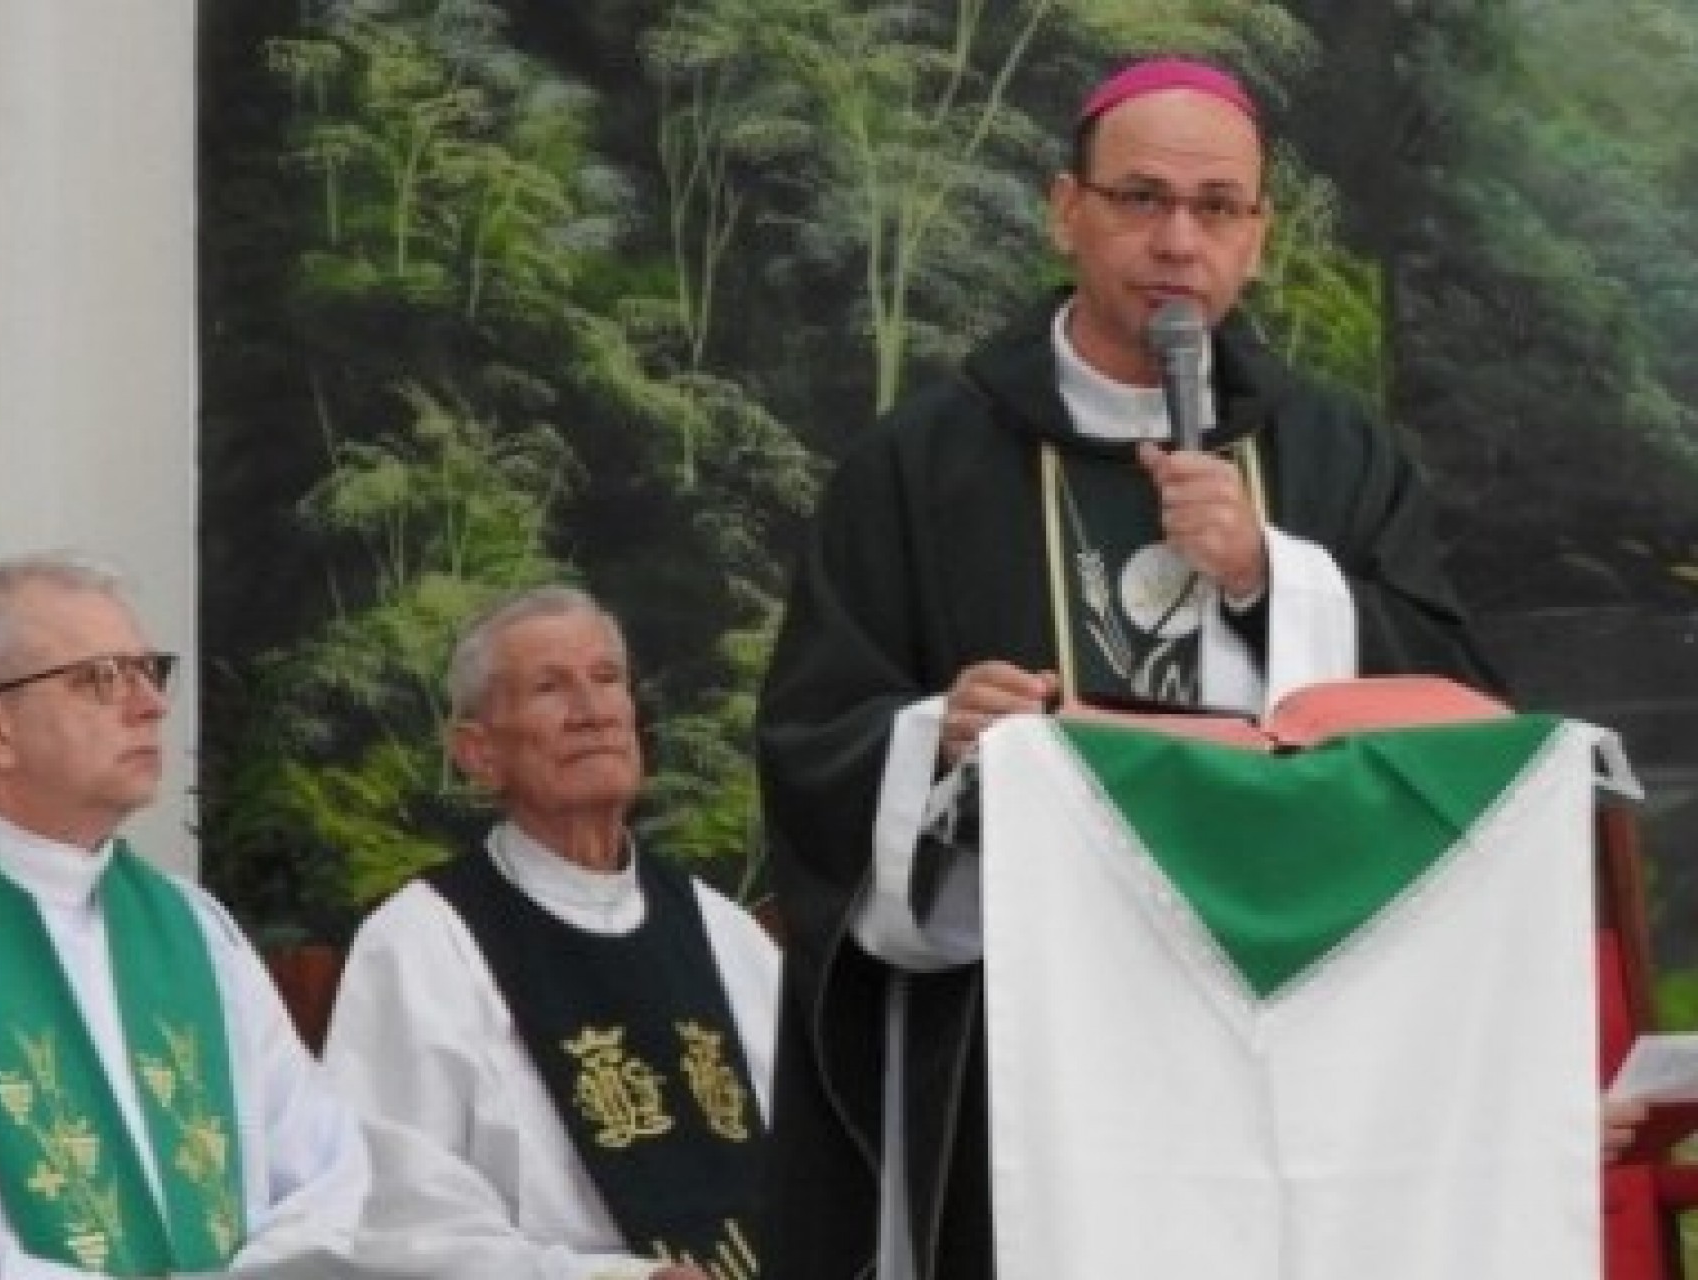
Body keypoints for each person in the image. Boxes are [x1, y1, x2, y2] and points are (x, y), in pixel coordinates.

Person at [754, 57, 1506, 1280]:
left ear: (1256, 236)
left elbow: (1458, 709)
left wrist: (1274, 577)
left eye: (1216, 208)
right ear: (1065, 208)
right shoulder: (920, 467)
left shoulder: (1331, 455)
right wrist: (939, 732)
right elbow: (811, 734)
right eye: (1139, 197)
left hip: (1286, 1014)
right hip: (1032, 1035)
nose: (1176, 240)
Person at [0, 551, 368, 1279]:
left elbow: (329, 1173)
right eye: (100, 678)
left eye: (150, 671)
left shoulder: (190, 926)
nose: (150, 703)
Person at [322, 585, 781, 1280]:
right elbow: (393, 1219)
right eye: (549, 688)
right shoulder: (422, 944)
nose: (591, 712)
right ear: (477, 752)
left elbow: (816, 1168)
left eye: (606, 680)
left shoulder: (722, 931)